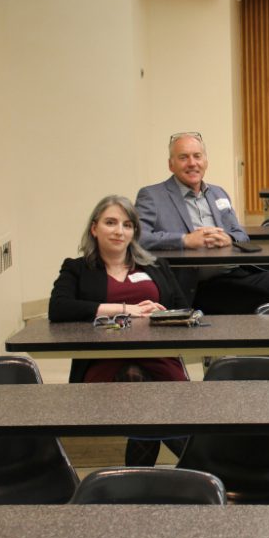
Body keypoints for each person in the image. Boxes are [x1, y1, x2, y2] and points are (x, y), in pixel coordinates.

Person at [48, 195, 189, 466]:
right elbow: (59, 308)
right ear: (94, 228)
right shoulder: (77, 269)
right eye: (110, 223)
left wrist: (162, 313)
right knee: (136, 380)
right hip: (105, 358)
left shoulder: (156, 266)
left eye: (127, 225)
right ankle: (200, 462)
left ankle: (135, 483)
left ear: (134, 231)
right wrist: (122, 309)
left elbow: (184, 308)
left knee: (145, 399)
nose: (118, 231)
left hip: (157, 355)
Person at [136, 132, 269, 314]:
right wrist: (185, 240)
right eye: (183, 157)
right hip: (196, 285)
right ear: (171, 165)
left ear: (205, 162)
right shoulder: (152, 196)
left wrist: (229, 238)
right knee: (262, 301)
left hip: (237, 272)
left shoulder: (218, 193)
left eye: (197, 156)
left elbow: (241, 235)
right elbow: (139, 239)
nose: (192, 163)